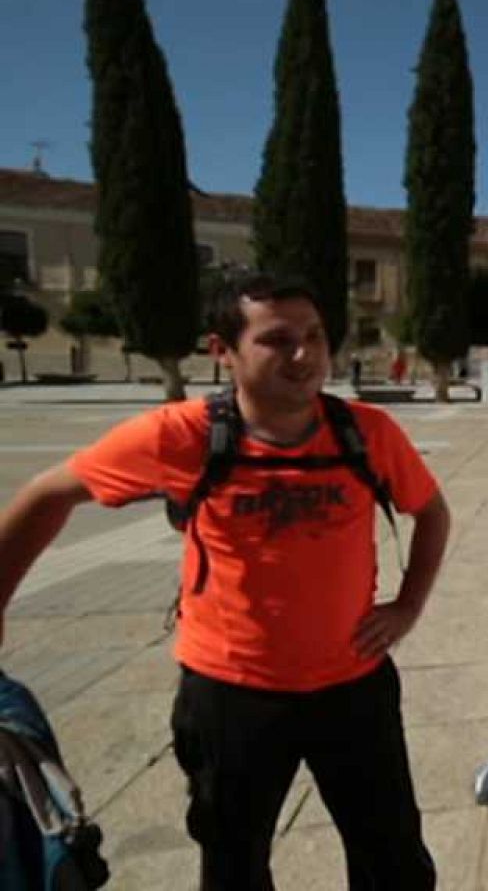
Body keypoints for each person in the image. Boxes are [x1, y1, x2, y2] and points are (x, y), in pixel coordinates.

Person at [0, 273, 450, 890]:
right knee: (234, 864)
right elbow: (45, 496)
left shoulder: (366, 433)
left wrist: (408, 607)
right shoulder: (180, 435)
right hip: (231, 698)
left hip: (354, 688)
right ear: (223, 350)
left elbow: (431, 511)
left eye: (315, 336)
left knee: (393, 859)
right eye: (278, 339)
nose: (305, 354)